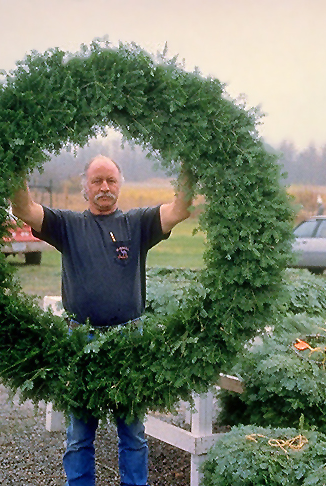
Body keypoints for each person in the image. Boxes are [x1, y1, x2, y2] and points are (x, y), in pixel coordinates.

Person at [11, 155, 193, 486]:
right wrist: (15, 168)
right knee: (79, 433)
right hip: (82, 339)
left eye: (110, 180)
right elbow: (25, 210)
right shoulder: (66, 225)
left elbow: (179, 210)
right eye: (97, 181)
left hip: (129, 340)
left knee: (133, 433)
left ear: (120, 185)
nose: (104, 187)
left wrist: (189, 170)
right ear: (85, 188)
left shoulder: (138, 223)